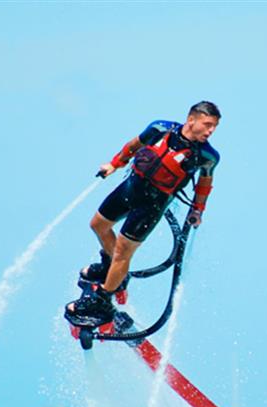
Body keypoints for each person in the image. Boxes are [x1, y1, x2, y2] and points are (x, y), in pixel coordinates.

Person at [66, 101, 221, 323]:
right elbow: (134, 145)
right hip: (131, 187)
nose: (211, 131)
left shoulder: (207, 155)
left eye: (214, 127)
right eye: (207, 124)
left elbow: (205, 183)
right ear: (191, 119)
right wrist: (114, 164)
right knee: (98, 225)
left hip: (152, 205)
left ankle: (102, 301)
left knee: (123, 251)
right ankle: (113, 272)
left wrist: (197, 210)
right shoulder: (159, 128)